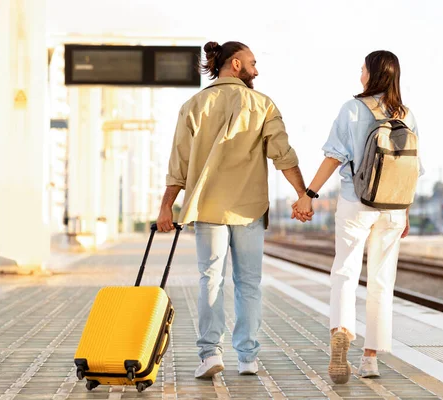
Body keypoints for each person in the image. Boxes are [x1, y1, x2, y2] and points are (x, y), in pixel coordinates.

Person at [156, 40, 311, 379]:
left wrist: (166, 207)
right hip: (248, 209)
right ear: (236, 65)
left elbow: (178, 165)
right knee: (249, 283)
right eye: (253, 62)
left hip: (209, 208)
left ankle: (210, 354)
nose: (257, 69)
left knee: (210, 280)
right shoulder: (262, 105)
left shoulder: (194, 104)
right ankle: (247, 357)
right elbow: (282, 154)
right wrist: (303, 194)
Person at [292, 50, 423, 383]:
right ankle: (370, 359)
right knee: (381, 280)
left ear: (373, 74)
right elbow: (410, 170)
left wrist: (308, 194)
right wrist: (405, 211)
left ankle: (341, 330)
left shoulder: (352, 109)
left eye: (363, 68)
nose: (360, 73)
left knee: (345, 272)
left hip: (357, 201)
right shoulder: (407, 115)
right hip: (394, 207)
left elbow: (334, 157)